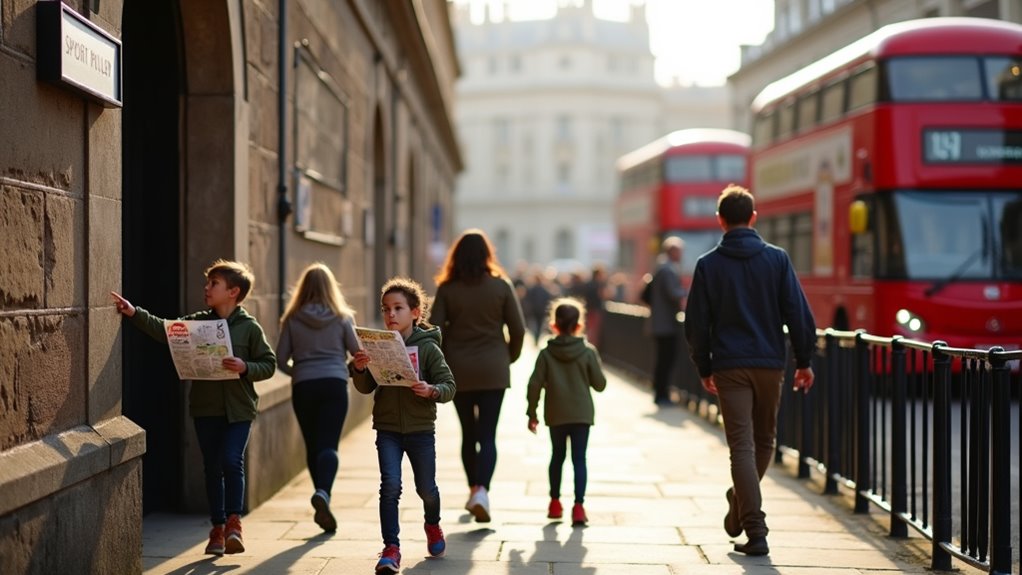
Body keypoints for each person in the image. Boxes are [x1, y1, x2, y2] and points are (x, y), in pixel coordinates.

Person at [684, 185, 816, 557]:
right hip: (770, 363)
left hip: (729, 365)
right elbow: (798, 313)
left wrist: (704, 366)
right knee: (765, 440)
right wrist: (804, 361)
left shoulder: (708, 265)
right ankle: (751, 515)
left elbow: (696, 323)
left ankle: (750, 519)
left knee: (740, 446)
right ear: (754, 217)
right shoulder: (777, 260)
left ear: (720, 220)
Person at [111, 259, 276, 556]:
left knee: (230, 460)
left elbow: (269, 364)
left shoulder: (250, 328)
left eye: (214, 284)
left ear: (233, 292)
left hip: (239, 411)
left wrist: (245, 366)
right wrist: (134, 312)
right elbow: (166, 331)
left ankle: (234, 523)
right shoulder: (199, 321)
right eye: (207, 283)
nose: (207, 288)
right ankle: (217, 527)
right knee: (212, 468)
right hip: (205, 408)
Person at [351, 277, 456, 574]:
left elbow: (449, 385)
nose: (390, 315)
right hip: (387, 428)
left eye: (398, 308)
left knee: (426, 489)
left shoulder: (429, 349)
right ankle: (391, 549)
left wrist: (431, 390)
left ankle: (432, 524)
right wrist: (360, 368)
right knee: (391, 486)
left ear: (415, 312)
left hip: (421, 429)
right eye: (386, 309)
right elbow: (366, 387)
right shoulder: (377, 345)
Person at [431, 229, 527, 523]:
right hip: (493, 369)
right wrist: (507, 358)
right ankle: (482, 491)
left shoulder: (448, 288)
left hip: (458, 369)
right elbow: (519, 329)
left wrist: (441, 363)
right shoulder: (501, 286)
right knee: (488, 434)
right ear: (487, 254)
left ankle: (473, 488)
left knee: (468, 435)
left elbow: (435, 330)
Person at [275, 263, 359, 533]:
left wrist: (297, 371)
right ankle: (323, 492)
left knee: (312, 445)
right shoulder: (342, 317)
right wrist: (344, 370)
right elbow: (358, 354)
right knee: (328, 445)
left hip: (304, 386)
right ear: (330, 287)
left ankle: (321, 493)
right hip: (334, 384)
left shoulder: (292, 318)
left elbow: (279, 358)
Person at [526, 298, 607, 526]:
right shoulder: (588, 352)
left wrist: (531, 413)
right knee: (579, 459)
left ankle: (554, 503)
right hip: (581, 415)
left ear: (554, 325)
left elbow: (534, 385)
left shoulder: (546, 353)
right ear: (579, 326)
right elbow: (600, 384)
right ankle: (579, 507)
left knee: (557, 457)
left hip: (556, 414)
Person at [649, 236, 687, 405]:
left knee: (663, 360)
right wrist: (687, 293)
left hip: (660, 323)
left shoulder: (661, 267)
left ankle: (660, 392)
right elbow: (674, 293)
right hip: (665, 324)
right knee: (666, 360)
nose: (681, 254)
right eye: (679, 251)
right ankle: (662, 395)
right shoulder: (667, 270)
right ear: (672, 251)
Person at [581, 264, 608, 348]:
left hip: (588, 309)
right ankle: (591, 348)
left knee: (589, 329)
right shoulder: (599, 284)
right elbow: (605, 295)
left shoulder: (587, 283)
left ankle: (588, 346)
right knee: (594, 331)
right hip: (595, 310)